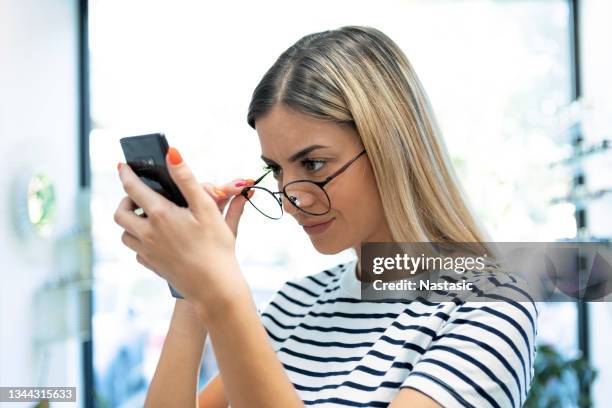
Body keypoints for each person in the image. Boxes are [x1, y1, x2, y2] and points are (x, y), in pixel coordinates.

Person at [114, 25, 537, 408]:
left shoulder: (489, 306)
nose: (291, 196)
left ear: (390, 149)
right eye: (277, 170)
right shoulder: (296, 304)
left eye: (313, 165)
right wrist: (190, 291)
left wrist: (221, 295)